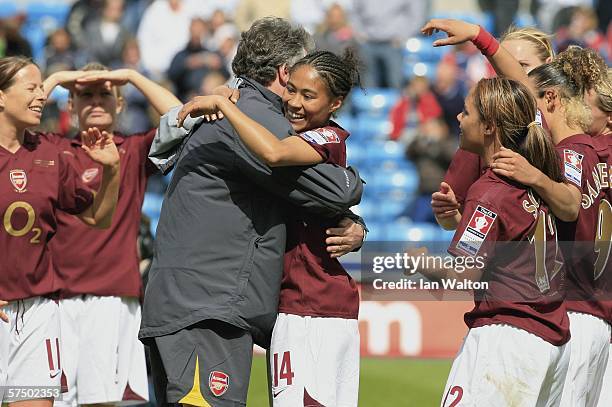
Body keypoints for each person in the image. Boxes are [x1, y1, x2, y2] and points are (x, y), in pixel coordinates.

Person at [141, 17, 365, 406]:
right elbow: (334, 191)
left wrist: (354, 224)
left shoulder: (235, 108)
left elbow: (303, 195)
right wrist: (355, 187)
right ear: (284, 71)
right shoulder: (254, 119)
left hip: (188, 303)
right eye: (294, 84)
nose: (296, 100)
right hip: (208, 309)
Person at [424, 19, 610, 406]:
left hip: (537, 321)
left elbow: (467, 264)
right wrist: (454, 220)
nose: (511, 85)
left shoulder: (551, 160)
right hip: (561, 323)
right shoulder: (577, 154)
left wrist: (417, 263)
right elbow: (477, 224)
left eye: (522, 71)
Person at [420, 76, 570, 406]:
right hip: (551, 338)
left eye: (466, 112)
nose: (459, 119)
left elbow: (462, 277)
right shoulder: (536, 180)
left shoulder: (488, 192)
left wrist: (417, 262)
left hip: (505, 340)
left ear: (489, 127)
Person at [41, 63, 181, 407]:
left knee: (103, 402)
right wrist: (58, 79)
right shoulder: (51, 150)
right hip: (54, 301)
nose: (96, 101)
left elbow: (183, 118)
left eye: (106, 93)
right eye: (85, 94)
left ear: (120, 104)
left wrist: (132, 77)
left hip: (112, 299)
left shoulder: (133, 149)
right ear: (71, 105)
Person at [0, 56, 120, 406]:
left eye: (43, 88)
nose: (42, 96)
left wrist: (111, 171)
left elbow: (98, 217)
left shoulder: (49, 154)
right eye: (32, 87)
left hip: (38, 311)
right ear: (1, 97)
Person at [434, 25, 555, 230]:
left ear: (547, 67)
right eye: (497, 65)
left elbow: (572, 207)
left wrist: (536, 178)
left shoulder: (568, 128)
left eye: (522, 65)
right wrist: (448, 214)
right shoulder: (481, 138)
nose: (506, 73)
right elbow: (459, 225)